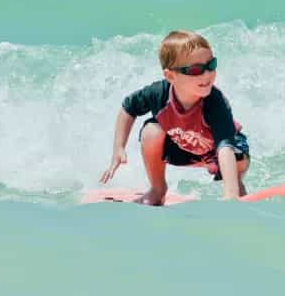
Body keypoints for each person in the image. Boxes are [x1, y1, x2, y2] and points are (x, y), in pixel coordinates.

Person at [99, 30, 250, 205]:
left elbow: (225, 147)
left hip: (222, 149)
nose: (207, 75)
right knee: (150, 131)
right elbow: (128, 108)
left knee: (237, 157)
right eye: (196, 70)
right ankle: (157, 189)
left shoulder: (214, 102)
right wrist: (119, 147)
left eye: (211, 65)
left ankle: (236, 186)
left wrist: (230, 196)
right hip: (183, 148)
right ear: (171, 76)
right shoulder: (158, 94)